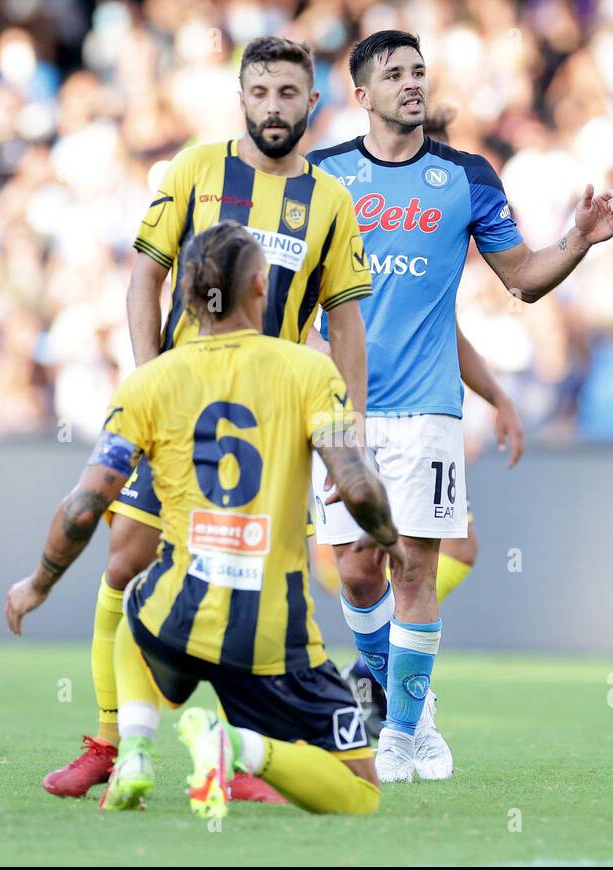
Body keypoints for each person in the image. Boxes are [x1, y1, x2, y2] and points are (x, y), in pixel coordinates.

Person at [41, 36, 372, 802]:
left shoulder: (329, 201)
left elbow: (347, 323)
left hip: (274, 429)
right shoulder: (195, 169)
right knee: (124, 563)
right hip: (184, 415)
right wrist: (149, 378)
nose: (274, 108)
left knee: (252, 586)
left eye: (289, 94)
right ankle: (110, 742)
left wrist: (348, 436)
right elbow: (141, 281)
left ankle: (233, 753)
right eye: (260, 92)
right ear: (242, 96)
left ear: (312, 104)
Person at [306, 30, 613, 782]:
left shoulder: (467, 176)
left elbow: (520, 277)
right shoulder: (322, 176)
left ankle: (404, 732)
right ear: (362, 93)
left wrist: (577, 241)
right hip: (341, 408)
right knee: (356, 572)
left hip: (426, 410)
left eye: (419, 71)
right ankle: (409, 701)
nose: (412, 83)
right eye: (394, 73)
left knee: (415, 568)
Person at [7, 221, 400, 818]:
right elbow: (358, 482)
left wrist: (38, 583)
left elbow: (85, 506)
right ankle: (237, 746)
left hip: (179, 616)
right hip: (275, 636)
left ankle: (134, 748)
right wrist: (388, 534)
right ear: (259, 290)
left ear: (185, 296)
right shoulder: (309, 372)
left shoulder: (148, 384)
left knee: (134, 599)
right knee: (361, 792)